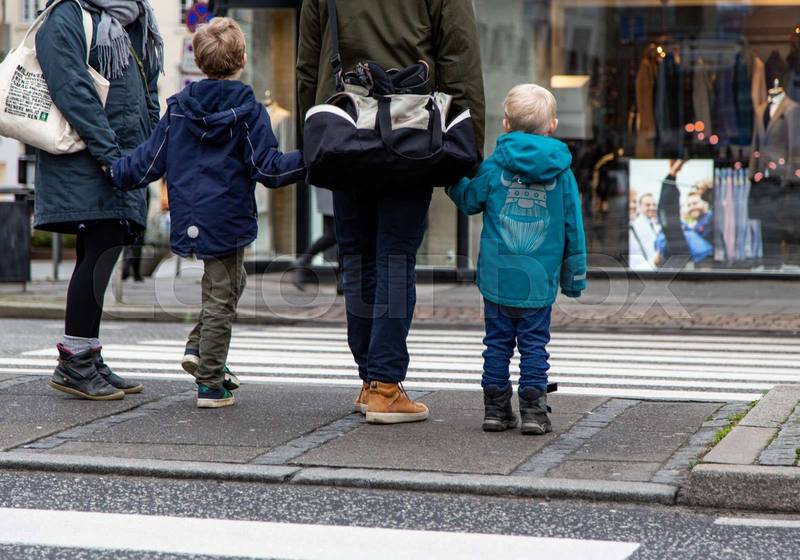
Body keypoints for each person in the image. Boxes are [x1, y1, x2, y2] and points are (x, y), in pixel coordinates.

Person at [297, 0, 486, 424]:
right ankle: (385, 386)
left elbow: (307, 62)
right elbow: (460, 59)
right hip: (410, 132)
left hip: (343, 127)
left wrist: (311, 139)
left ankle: (370, 381)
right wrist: (470, 148)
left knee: (356, 259)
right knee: (395, 258)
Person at [111, 18, 306, 408]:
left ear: (199, 61)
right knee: (221, 295)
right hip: (228, 217)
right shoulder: (249, 112)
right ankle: (210, 383)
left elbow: (149, 162)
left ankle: (198, 347)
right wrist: (312, 158)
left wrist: (113, 170)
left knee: (231, 283)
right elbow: (268, 169)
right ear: (243, 59)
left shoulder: (179, 110)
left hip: (190, 216)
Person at [37, 0, 163, 400]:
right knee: (100, 246)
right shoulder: (67, 14)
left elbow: (147, 89)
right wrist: (110, 154)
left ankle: (86, 354)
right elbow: (71, 88)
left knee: (102, 248)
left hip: (122, 154)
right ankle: (75, 361)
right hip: (86, 156)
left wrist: (151, 148)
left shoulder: (135, 18)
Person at [447, 84, 587, 435]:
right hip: (538, 279)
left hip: (497, 277)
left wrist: (449, 179)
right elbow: (573, 226)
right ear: (552, 125)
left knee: (496, 344)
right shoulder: (562, 173)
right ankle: (534, 413)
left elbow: (469, 200)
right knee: (534, 345)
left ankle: (496, 411)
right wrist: (574, 277)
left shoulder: (495, 166)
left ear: (506, 123)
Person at [291, 188, 339, 292]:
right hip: (332, 188)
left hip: (336, 189)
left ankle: (343, 281)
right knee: (336, 233)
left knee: (339, 234)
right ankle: (303, 260)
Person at [629, 193, 661, 270]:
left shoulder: (655, 224)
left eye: (654, 205)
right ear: (640, 207)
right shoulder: (637, 226)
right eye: (648, 205)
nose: (652, 207)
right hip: (645, 270)